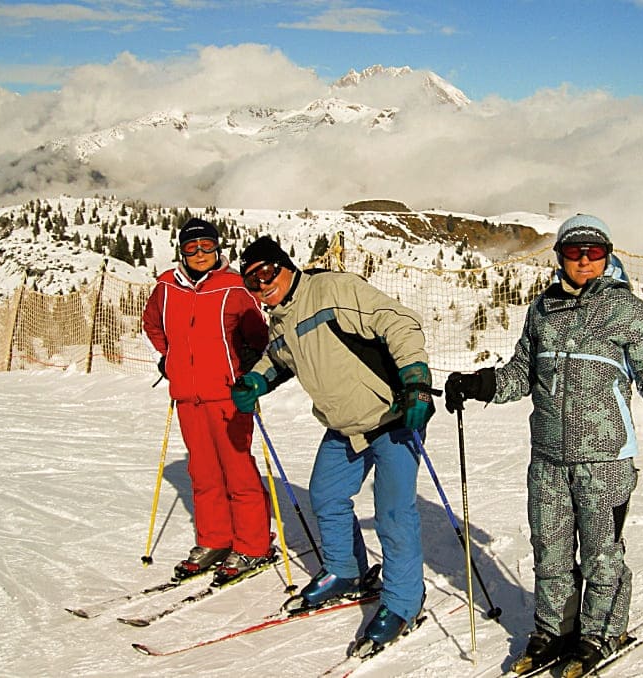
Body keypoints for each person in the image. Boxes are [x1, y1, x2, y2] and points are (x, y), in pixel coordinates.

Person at [443, 214, 643, 677]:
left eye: (594, 251)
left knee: (600, 555)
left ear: (608, 254)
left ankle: (601, 631)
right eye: (574, 251)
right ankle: (554, 631)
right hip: (547, 459)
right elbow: (520, 376)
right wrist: (480, 383)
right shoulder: (541, 310)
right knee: (549, 551)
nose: (585, 259)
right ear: (560, 257)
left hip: (605, 459)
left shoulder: (628, 310)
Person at [230, 235, 435, 651]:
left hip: (392, 416)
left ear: (286, 266)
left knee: (393, 514)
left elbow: (400, 322)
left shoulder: (331, 290)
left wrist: (416, 382)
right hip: (345, 426)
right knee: (325, 495)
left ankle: (403, 602)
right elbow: (280, 357)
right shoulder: (282, 319)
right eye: (252, 281)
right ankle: (345, 571)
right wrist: (257, 378)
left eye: (268, 272)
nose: (263, 284)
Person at [141, 218, 274, 586]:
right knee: (202, 472)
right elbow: (152, 323)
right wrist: (169, 357)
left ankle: (253, 544)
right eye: (192, 248)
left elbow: (257, 335)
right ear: (181, 251)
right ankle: (215, 540)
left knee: (238, 470)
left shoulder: (234, 287)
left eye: (207, 247)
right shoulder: (166, 287)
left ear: (218, 249)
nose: (200, 254)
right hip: (186, 395)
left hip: (227, 394)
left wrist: (245, 366)